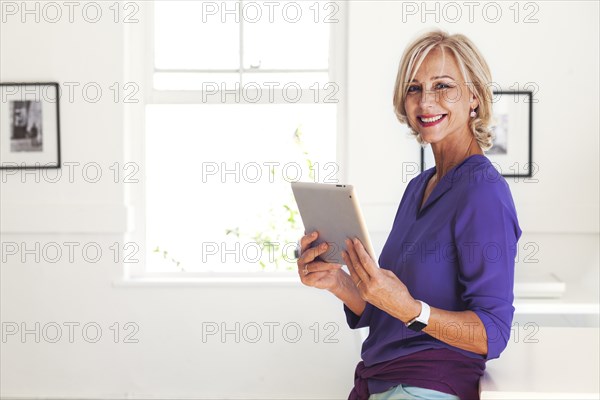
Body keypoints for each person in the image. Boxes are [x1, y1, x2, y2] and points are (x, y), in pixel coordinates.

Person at [297, 29, 522, 400]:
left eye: (443, 86)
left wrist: (412, 309)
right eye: (414, 88)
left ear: (475, 99)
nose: (426, 102)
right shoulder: (419, 187)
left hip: (428, 385)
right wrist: (336, 281)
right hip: (379, 381)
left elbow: (492, 332)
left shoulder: (483, 192)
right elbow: (387, 312)